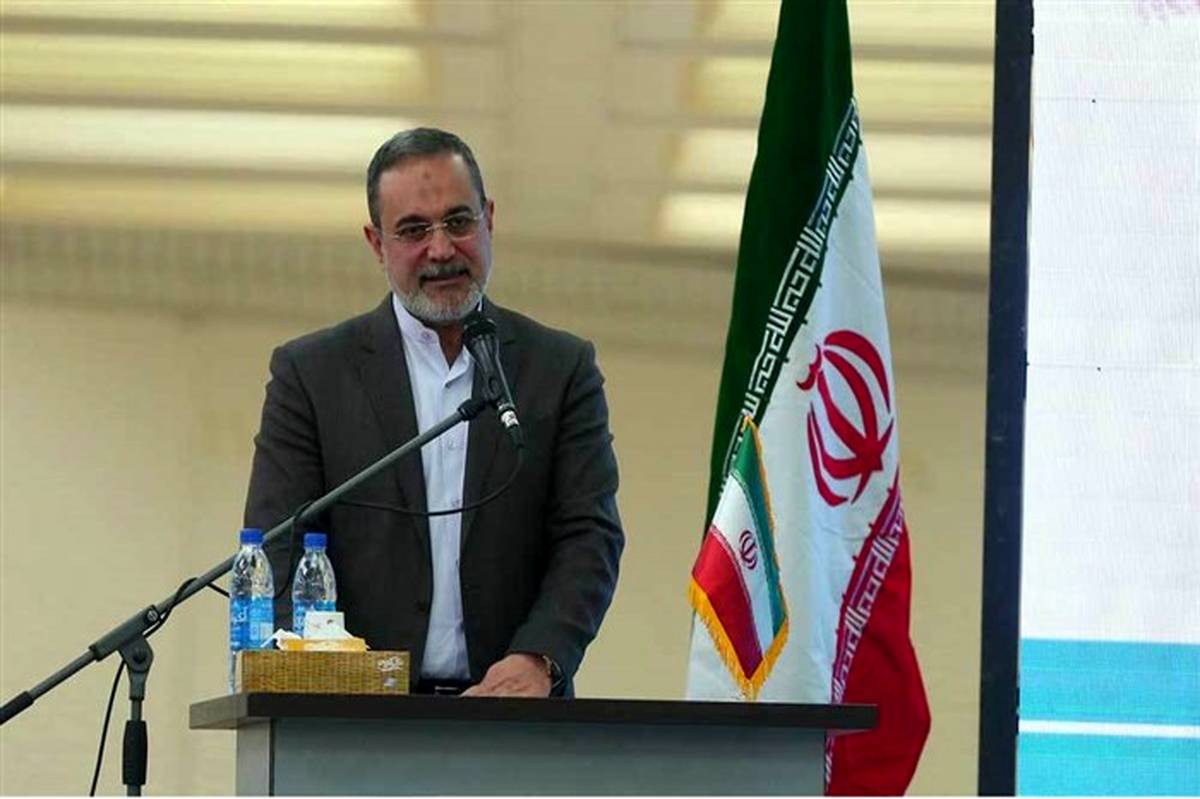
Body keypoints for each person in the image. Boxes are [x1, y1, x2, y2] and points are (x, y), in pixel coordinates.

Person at [243, 128, 623, 697]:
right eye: (414, 230)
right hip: (354, 719)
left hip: (515, 714)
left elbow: (589, 537)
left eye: (458, 222)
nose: (441, 249)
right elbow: (279, 545)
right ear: (377, 244)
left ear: (489, 220)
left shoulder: (559, 368)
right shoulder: (313, 375)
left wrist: (539, 657)